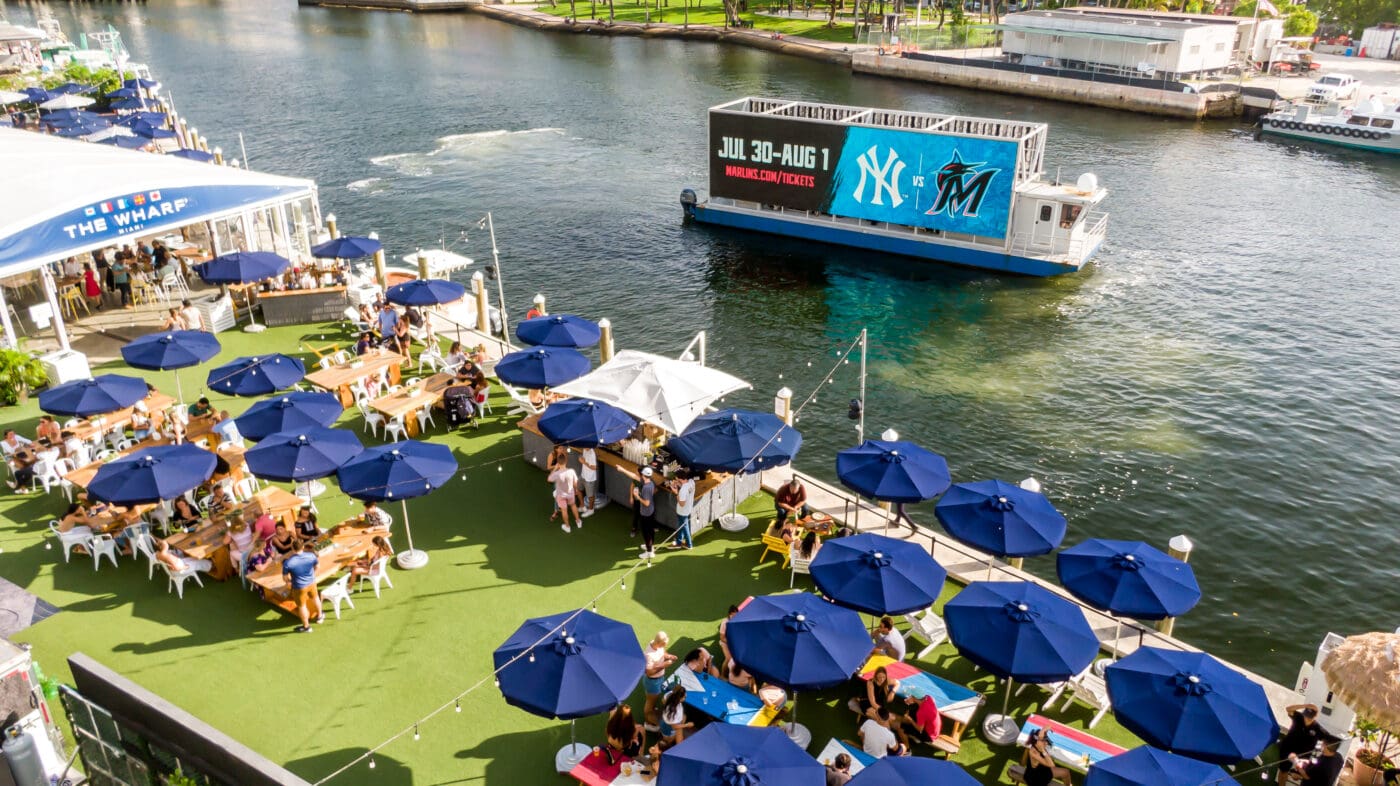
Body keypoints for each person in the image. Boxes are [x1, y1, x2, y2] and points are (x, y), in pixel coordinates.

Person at [1278, 704, 1325, 783]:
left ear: (1315, 717)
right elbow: (1288, 709)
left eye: (1309, 717)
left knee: (1301, 775)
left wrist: (1316, 754)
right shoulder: (1298, 717)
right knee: (1283, 770)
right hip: (1288, 748)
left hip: (1303, 755)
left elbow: (1326, 741)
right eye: (1306, 715)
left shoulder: (1318, 729)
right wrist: (1305, 705)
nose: (1306, 719)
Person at [282, 541, 323, 633]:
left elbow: (285, 578)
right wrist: (312, 577)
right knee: (316, 598)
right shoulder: (311, 556)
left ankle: (307, 627)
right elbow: (318, 567)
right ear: (303, 546)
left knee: (302, 606)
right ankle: (320, 616)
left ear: (292, 548)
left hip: (299, 587)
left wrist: (289, 582)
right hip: (312, 583)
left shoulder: (288, 563)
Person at [642, 632, 677, 730]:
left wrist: (668, 656)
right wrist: (664, 665)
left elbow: (662, 652)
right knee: (650, 702)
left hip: (658, 679)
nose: (665, 646)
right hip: (652, 681)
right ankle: (648, 723)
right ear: (659, 642)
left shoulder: (655, 644)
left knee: (653, 699)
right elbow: (649, 672)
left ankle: (652, 710)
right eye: (664, 644)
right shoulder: (649, 655)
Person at [549, 458, 582, 533]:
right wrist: (576, 489)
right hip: (570, 493)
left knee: (564, 510)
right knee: (573, 505)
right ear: (566, 462)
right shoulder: (571, 471)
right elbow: (575, 483)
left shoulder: (557, 473)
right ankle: (578, 522)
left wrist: (555, 469)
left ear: (558, 464)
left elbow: (549, 479)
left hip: (561, 495)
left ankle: (567, 527)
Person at [633, 467, 658, 559]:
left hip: (646, 513)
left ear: (643, 475)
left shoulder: (646, 488)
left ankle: (649, 552)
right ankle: (651, 546)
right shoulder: (650, 483)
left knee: (646, 533)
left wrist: (637, 496)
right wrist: (623, 470)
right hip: (651, 511)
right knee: (650, 531)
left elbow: (646, 503)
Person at [669, 469, 695, 550]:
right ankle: (679, 542)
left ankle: (689, 544)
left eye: (676, 479)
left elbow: (681, 503)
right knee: (682, 526)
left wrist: (676, 492)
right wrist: (678, 484)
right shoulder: (691, 482)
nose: (676, 480)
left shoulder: (683, 490)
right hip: (688, 508)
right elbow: (685, 486)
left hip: (682, 511)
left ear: (679, 478)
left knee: (684, 526)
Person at [579, 446, 599, 518]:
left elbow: (595, 467)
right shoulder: (584, 449)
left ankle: (591, 510)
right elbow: (583, 456)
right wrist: (581, 458)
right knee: (578, 489)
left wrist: (584, 462)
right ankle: (582, 506)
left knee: (590, 496)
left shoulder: (592, 453)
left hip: (589, 478)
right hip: (583, 475)